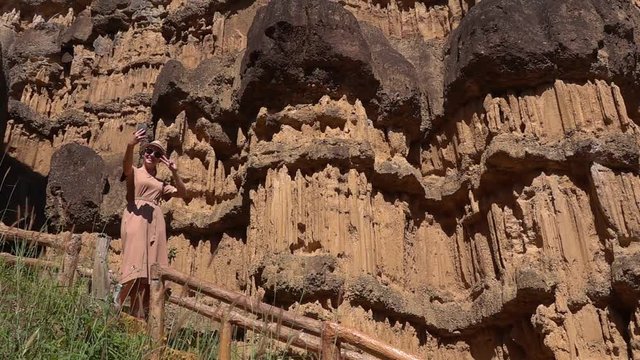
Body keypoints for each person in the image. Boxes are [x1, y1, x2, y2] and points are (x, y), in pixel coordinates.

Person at [117, 128, 185, 319]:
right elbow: (125, 165)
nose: (151, 155)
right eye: (148, 151)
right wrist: (131, 145)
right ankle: (115, 307)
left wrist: (174, 172)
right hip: (136, 218)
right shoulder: (135, 172)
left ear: (160, 159)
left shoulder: (161, 183)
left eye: (156, 154)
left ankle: (139, 315)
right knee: (134, 263)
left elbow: (182, 192)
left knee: (152, 269)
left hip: (156, 224)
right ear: (144, 152)